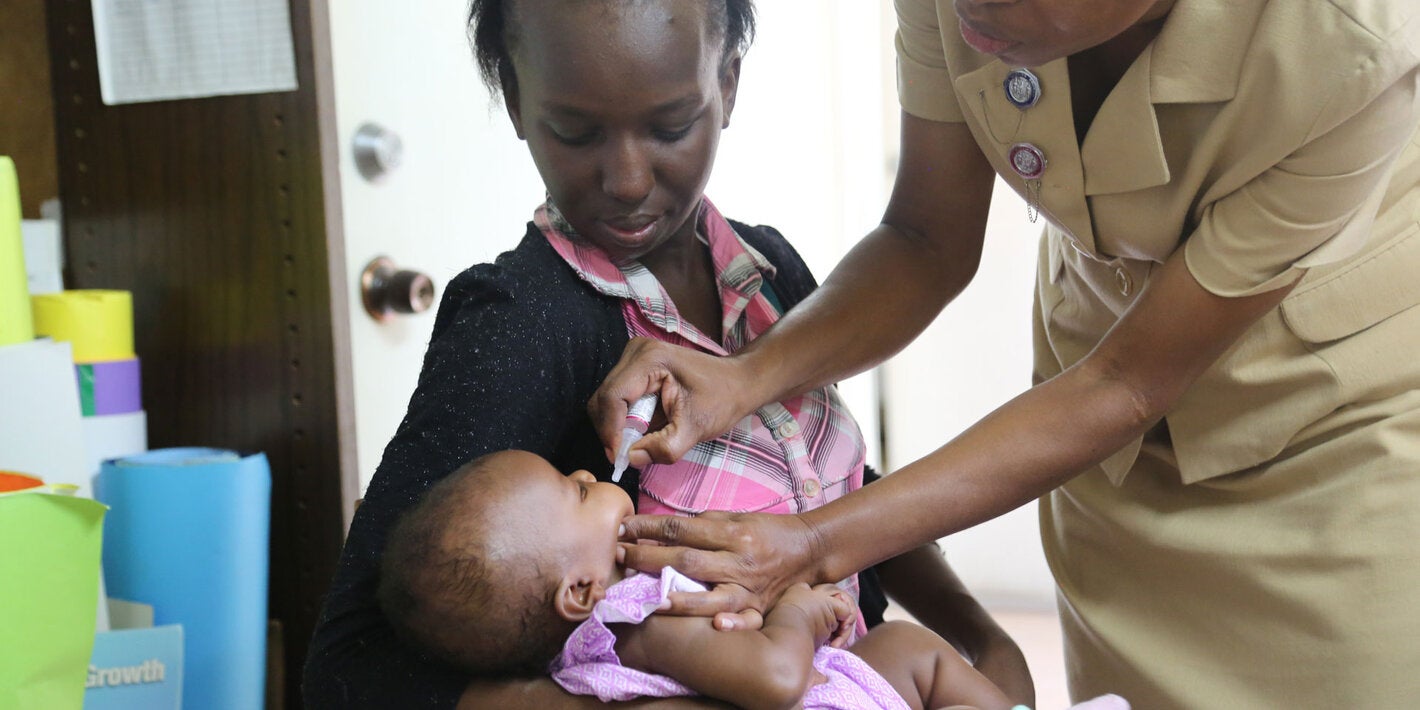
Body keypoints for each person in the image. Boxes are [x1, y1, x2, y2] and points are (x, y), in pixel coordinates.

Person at [592, 0, 1420, 708]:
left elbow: (1128, 384)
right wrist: (741, 379)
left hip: (1330, 442)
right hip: (1104, 434)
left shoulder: (1354, 41)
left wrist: (815, 542)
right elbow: (925, 238)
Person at [303, 1, 1033, 707]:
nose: (627, 180)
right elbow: (350, 667)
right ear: (517, 101)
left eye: (671, 126)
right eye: (576, 132)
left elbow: (838, 490)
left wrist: (979, 636)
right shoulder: (520, 324)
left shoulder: (769, 269)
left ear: (728, 84)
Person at [378, 450, 1029, 710]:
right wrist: (797, 610)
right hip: (819, 697)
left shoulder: (586, 655)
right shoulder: (641, 618)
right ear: (578, 591)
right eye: (575, 491)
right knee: (909, 649)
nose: (585, 474)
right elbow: (776, 679)